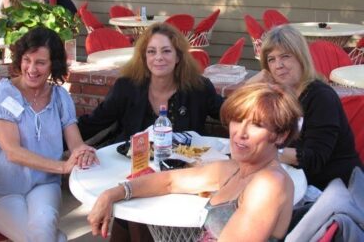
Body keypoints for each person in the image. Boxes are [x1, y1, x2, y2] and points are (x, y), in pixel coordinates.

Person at [87, 82, 302, 241]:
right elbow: (169, 180)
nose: (240, 133)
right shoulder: (234, 169)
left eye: (256, 125)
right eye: (237, 120)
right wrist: (112, 194)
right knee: (130, 223)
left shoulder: (269, 184)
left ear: (281, 135)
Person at [78, 22, 224, 241]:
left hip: (180, 177)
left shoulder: (198, 87)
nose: (159, 57)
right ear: (144, 57)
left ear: (178, 57)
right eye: (151, 51)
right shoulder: (127, 87)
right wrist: (65, 140)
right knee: (133, 216)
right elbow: (96, 121)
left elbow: (228, 112)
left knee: (136, 219)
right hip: (131, 170)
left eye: (166, 51)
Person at [0, 27, 98, 241]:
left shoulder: (60, 98)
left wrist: (83, 153)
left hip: (45, 184)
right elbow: (12, 152)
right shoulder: (2, 92)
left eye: (40, 62)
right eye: (26, 60)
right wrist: (62, 166)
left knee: (43, 228)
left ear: (53, 65)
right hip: (2, 189)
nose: (31, 68)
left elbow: (76, 143)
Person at [247, 24, 362, 190]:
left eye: (285, 56)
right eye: (271, 59)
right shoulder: (282, 94)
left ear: (301, 58)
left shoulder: (321, 97)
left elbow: (313, 159)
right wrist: (251, 87)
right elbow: (234, 113)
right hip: (298, 181)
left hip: (335, 189)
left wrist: (266, 152)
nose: (278, 65)